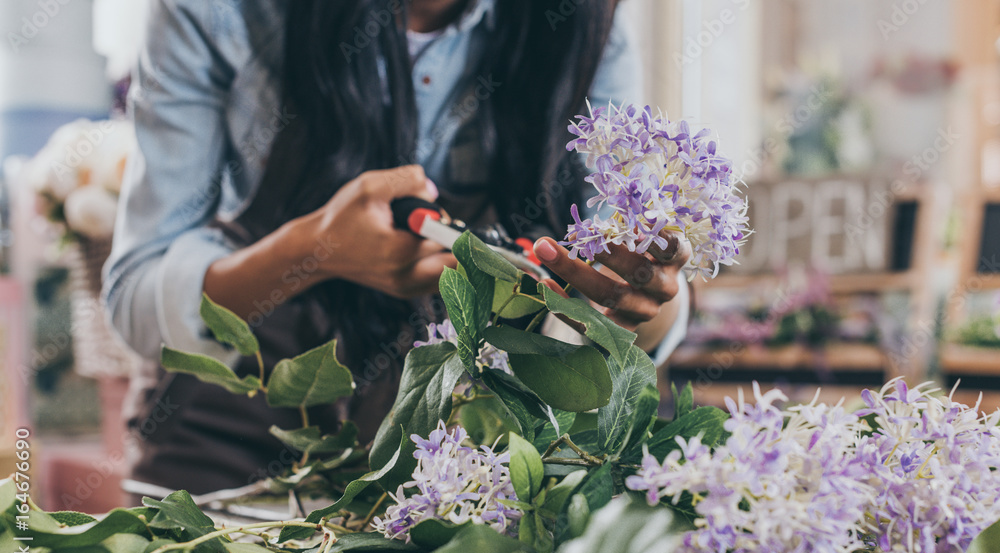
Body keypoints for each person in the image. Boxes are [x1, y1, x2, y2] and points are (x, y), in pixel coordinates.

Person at [103, 0, 691, 494]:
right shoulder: (215, 12)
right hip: (232, 419)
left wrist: (640, 295)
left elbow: (622, 321)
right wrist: (312, 250)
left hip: (474, 446)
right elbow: (137, 301)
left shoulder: (584, 22)